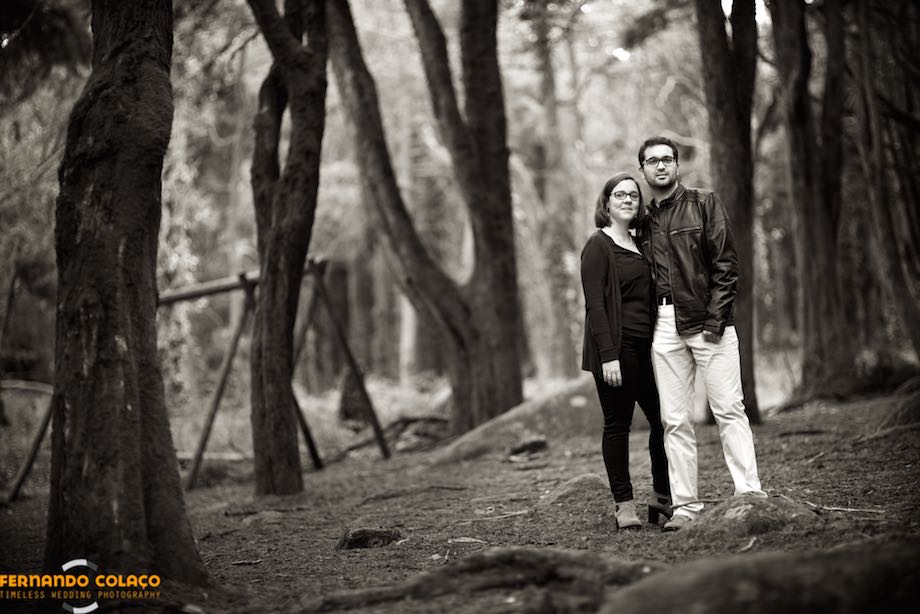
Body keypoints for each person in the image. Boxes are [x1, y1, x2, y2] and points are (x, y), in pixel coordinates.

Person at [636, 136, 766, 532]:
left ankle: (749, 494)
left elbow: (727, 265)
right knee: (675, 420)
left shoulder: (704, 203)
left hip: (708, 323)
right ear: (643, 169)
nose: (660, 166)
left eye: (667, 159)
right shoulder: (643, 220)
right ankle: (685, 507)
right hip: (663, 327)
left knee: (729, 409)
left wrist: (715, 321)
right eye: (652, 161)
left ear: (677, 165)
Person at [581, 172, 671, 530]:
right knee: (618, 425)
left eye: (633, 195)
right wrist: (608, 356)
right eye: (620, 195)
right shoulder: (598, 245)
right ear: (606, 203)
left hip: (647, 348)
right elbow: (595, 306)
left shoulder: (640, 243)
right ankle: (624, 505)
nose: (628, 200)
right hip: (616, 349)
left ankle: (661, 496)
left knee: (664, 421)